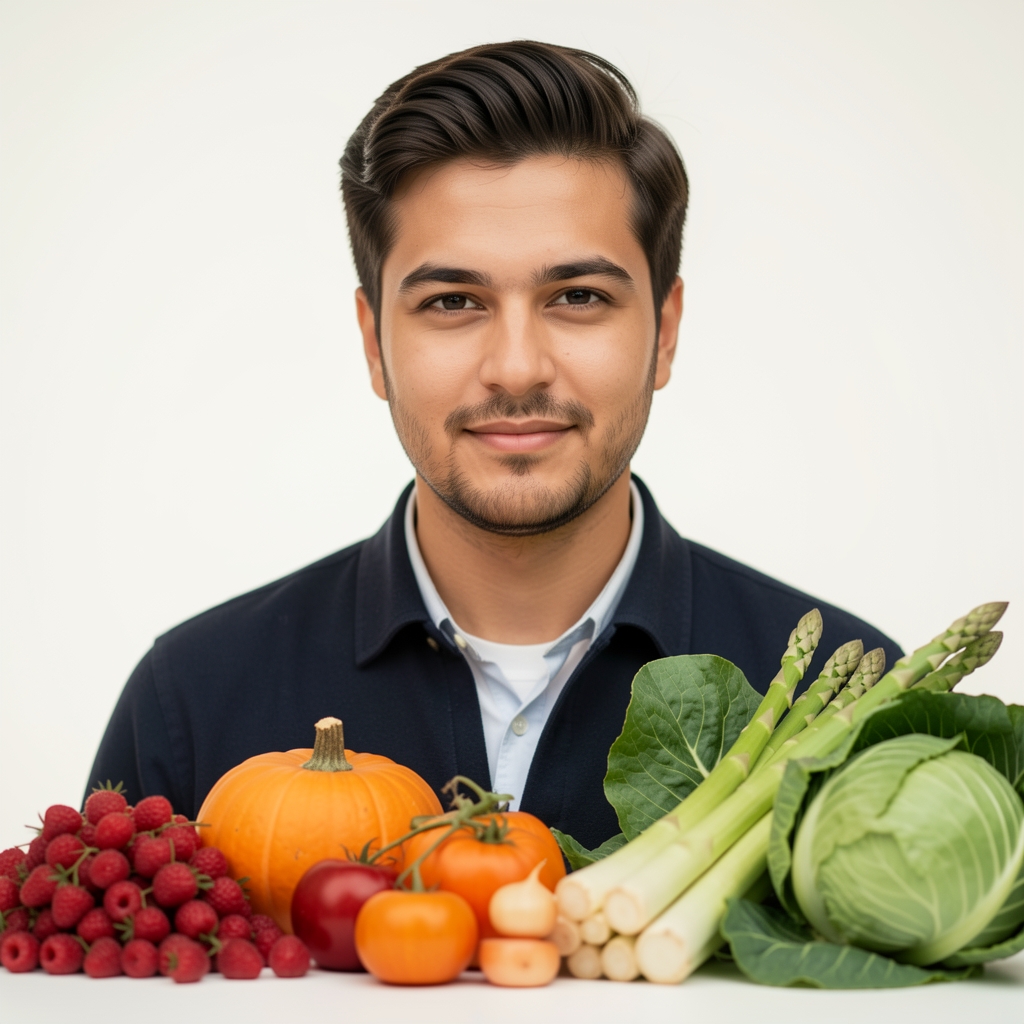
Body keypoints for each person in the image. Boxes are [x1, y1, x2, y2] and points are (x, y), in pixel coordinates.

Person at [87, 41, 900, 852]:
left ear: (665, 332)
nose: (516, 368)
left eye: (578, 297)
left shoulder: (845, 703)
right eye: (453, 302)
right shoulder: (190, 700)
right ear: (374, 342)